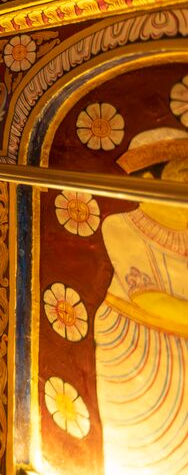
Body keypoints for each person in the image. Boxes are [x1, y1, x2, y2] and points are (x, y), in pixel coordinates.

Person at [95, 127, 188, 473]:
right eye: (183, 174)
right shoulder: (121, 226)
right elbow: (146, 295)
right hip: (136, 342)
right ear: (148, 179)